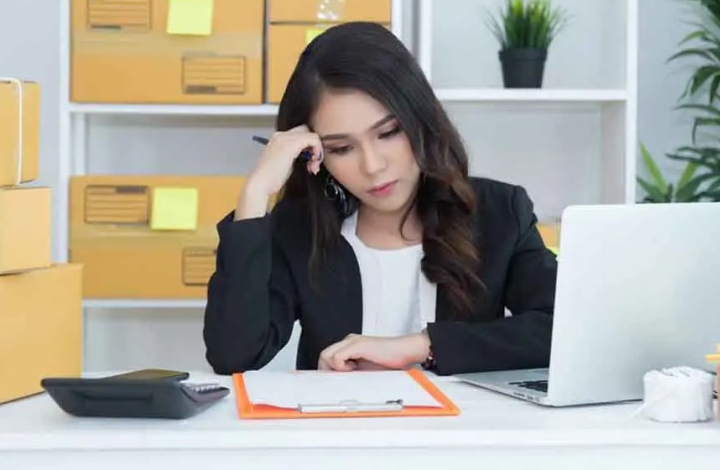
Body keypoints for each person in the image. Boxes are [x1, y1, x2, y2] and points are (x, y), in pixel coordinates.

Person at [203, 22, 558, 376]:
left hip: (460, 431)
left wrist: (420, 345)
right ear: (315, 155)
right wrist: (255, 195)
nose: (373, 166)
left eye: (388, 133)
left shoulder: (500, 213)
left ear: (420, 120)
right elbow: (234, 355)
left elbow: (563, 330)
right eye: (341, 148)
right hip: (338, 430)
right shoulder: (300, 228)